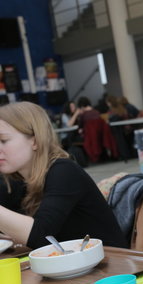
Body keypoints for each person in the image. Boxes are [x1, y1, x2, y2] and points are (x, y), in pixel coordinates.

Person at [0, 102, 128, 249]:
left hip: (108, 264)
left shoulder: (63, 171)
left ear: (35, 141)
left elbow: (41, 236)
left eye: (3, 140)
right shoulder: (14, 178)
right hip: (67, 265)